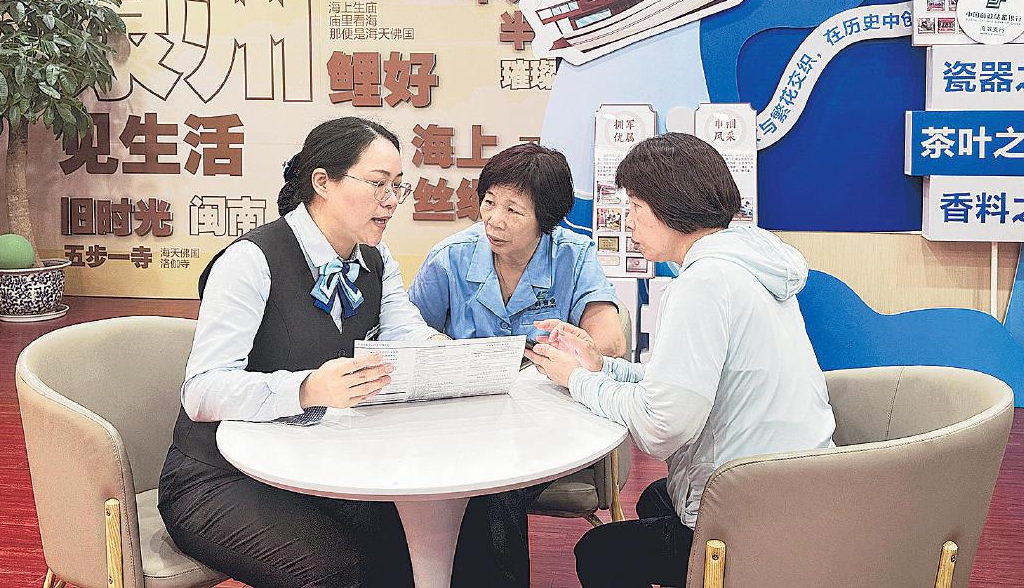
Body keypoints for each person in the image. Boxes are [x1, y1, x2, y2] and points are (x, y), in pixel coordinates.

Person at [527, 133, 837, 588]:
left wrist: (577, 380)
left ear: (670, 207)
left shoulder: (703, 284)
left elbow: (661, 426)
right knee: (656, 499)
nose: (628, 220)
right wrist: (601, 366)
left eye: (635, 206)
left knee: (600, 553)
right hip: (804, 488)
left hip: (755, 512)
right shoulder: (748, 264)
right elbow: (683, 382)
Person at [158, 116, 455, 588]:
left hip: (311, 465)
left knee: (414, 540)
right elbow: (202, 391)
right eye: (378, 183)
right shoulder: (251, 260)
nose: (391, 201)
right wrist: (307, 388)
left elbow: (407, 334)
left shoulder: (375, 259)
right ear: (323, 182)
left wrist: (456, 356)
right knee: (342, 570)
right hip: (219, 476)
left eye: (398, 186)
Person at [408, 142, 626, 587]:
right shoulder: (451, 257)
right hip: (464, 424)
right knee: (478, 476)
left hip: (548, 425)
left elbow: (611, 341)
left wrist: (573, 347)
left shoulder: (574, 255)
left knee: (494, 481)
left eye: (513, 210)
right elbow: (406, 332)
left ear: (546, 220)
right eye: (489, 202)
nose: (494, 220)